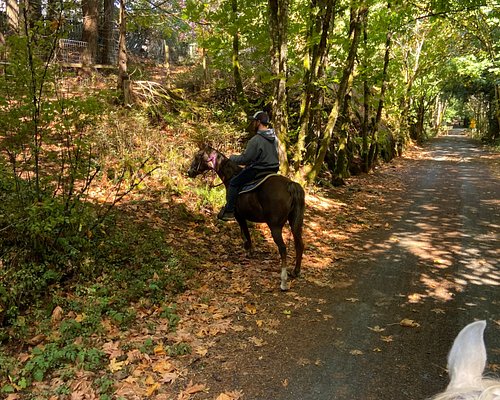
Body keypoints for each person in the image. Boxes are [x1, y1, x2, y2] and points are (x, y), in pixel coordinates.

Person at [218, 111, 280, 221]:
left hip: (259, 170)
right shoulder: (275, 138)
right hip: (273, 170)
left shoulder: (255, 140)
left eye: (254, 121)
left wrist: (232, 158)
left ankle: (229, 211)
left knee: (233, 183)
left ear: (259, 122)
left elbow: (246, 159)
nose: (252, 123)